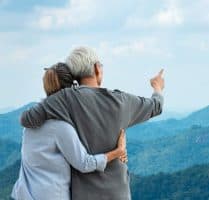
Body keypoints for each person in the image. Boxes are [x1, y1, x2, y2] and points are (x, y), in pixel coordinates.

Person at [20, 46, 165, 200]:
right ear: (96, 68)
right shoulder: (121, 101)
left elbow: (27, 119)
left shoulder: (63, 99)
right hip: (118, 193)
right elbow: (156, 106)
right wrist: (157, 87)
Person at [12, 63, 128, 200]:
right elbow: (85, 163)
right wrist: (117, 152)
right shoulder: (60, 127)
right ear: (71, 89)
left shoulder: (30, 124)